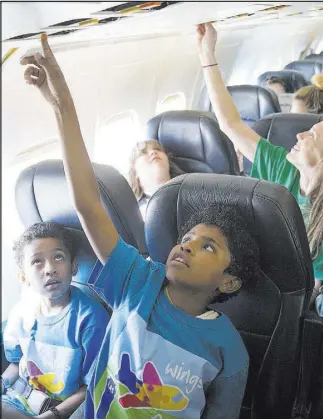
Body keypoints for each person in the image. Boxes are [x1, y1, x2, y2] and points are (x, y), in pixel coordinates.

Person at [20, 34, 256, 419]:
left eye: (208, 247)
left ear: (228, 281)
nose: (187, 246)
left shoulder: (229, 350)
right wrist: (60, 102)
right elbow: (87, 203)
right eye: (187, 238)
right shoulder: (137, 281)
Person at [197, 22, 323, 310]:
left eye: (312, 137)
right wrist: (208, 56)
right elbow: (230, 124)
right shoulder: (282, 166)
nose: (300, 134)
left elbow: (312, 286)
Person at [1, 222, 109, 418]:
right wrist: (3, 383)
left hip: (61, 408)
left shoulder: (90, 319)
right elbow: (16, 363)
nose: (50, 269)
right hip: (18, 397)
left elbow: (92, 385)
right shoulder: (21, 313)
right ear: (23, 277)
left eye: (58, 257)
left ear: (73, 266)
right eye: (37, 262)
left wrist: (54, 414)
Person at [129, 139, 184, 219]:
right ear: (135, 172)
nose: (153, 152)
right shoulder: (134, 215)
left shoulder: (193, 190)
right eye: (144, 153)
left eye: (157, 149)